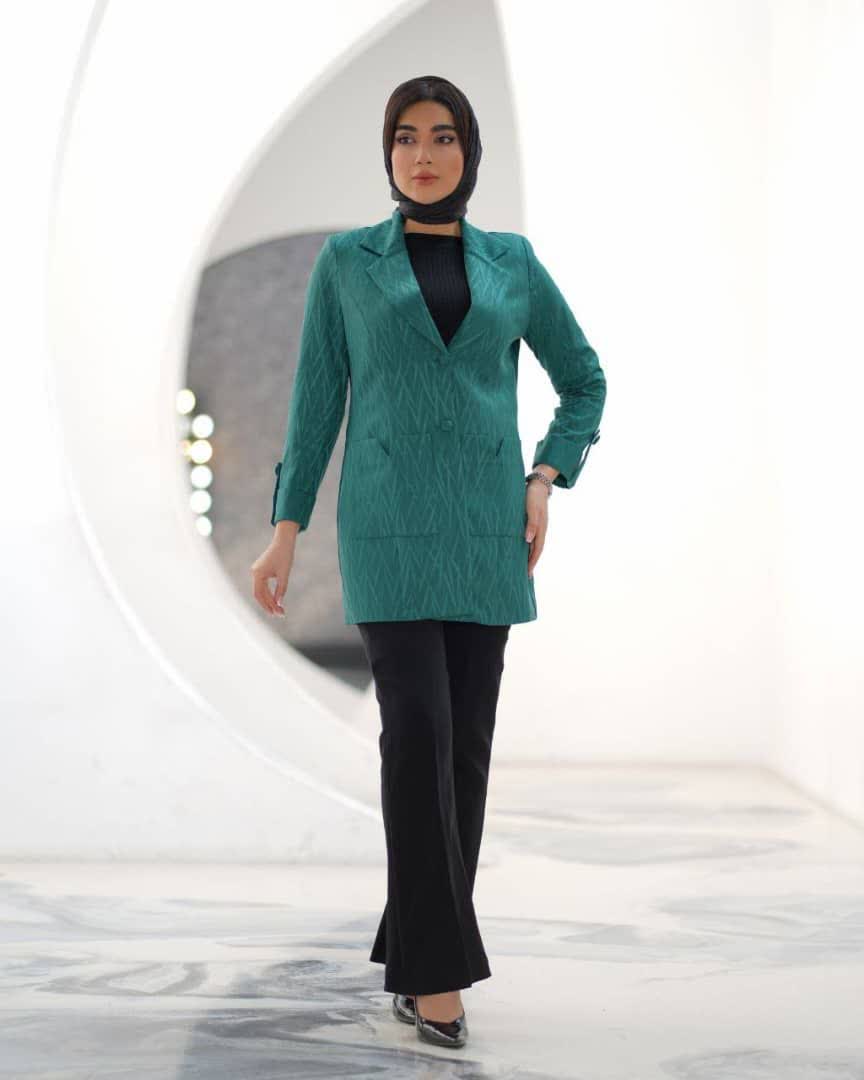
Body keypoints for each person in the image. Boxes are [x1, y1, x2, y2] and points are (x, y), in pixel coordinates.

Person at [251, 75, 607, 1049]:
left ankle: (414, 942)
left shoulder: (512, 262)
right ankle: (437, 977)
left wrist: (546, 476)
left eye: (443, 137)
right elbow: (317, 400)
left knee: (465, 754)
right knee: (415, 737)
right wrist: (285, 525)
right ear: (388, 152)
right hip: (387, 529)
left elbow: (583, 380)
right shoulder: (347, 263)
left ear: (468, 153)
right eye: (406, 137)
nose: (423, 154)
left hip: (488, 533)